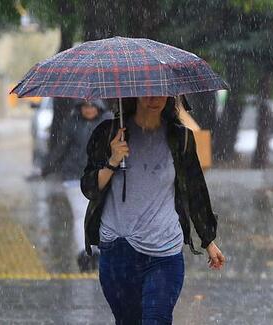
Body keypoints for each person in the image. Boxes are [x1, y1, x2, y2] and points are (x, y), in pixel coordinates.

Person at [81, 96, 225, 324]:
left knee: (156, 318)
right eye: (146, 90)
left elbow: (195, 189)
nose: (153, 97)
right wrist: (113, 160)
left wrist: (208, 240)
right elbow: (89, 188)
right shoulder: (108, 133)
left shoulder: (180, 138)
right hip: (118, 249)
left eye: (160, 90)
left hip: (164, 251)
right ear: (133, 93)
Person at [39, 99, 109, 271]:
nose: (89, 109)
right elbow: (61, 147)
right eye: (86, 106)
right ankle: (84, 253)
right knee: (80, 216)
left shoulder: (107, 122)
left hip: (99, 176)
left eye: (92, 106)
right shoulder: (72, 123)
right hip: (74, 176)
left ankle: (97, 251)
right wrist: (48, 167)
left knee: (98, 215)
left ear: (99, 107)